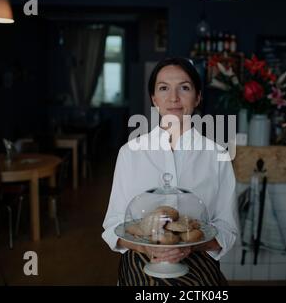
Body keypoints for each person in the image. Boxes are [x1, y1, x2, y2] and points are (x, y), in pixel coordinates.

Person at [102, 57, 239, 286]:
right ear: (154, 99)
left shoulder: (218, 155)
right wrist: (144, 246)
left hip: (199, 261)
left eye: (184, 88)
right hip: (139, 260)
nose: (173, 98)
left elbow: (228, 228)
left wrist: (189, 246)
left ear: (198, 97)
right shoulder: (130, 152)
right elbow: (113, 224)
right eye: (164, 88)